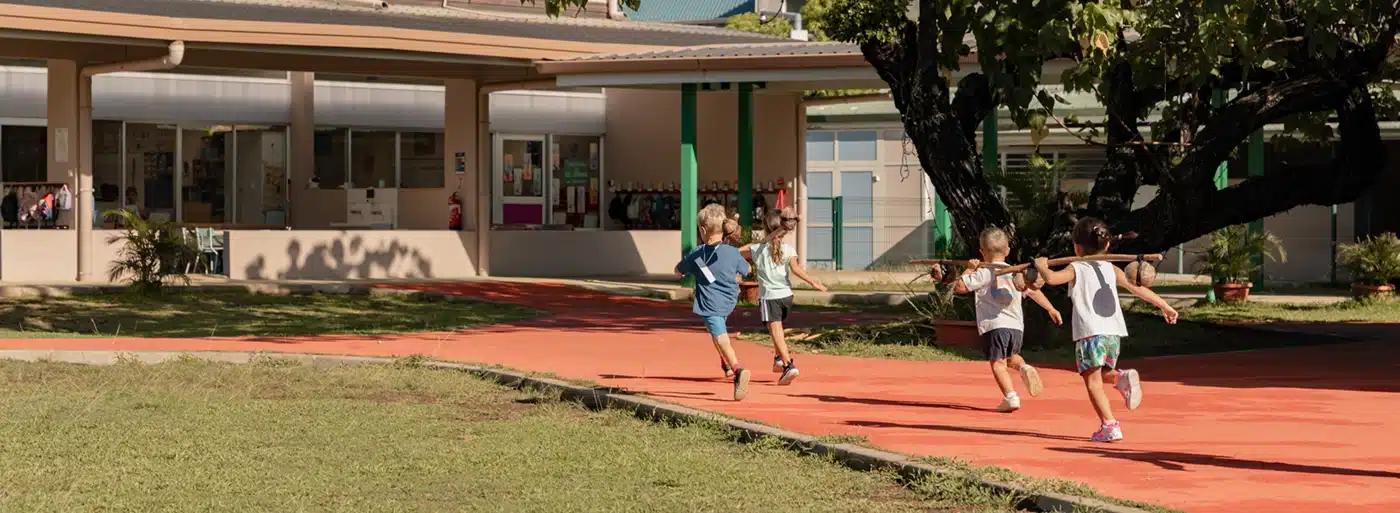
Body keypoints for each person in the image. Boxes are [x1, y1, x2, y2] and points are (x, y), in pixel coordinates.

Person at [1033, 218, 1178, 442]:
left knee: (1092, 381)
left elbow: (1051, 279)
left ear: (1076, 247)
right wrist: (1165, 305)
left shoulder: (1076, 267)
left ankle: (1109, 425)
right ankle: (1122, 378)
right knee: (1101, 373)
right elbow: (1137, 290)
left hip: (1090, 332)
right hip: (1112, 333)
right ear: (1107, 246)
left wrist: (1041, 265)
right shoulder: (1111, 269)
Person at [952, 227, 1061, 413]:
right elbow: (1033, 291)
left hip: (995, 325)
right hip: (1015, 327)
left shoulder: (984, 272)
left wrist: (968, 270)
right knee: (1011, 357)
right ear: (1007, 251)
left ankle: (1010, 396)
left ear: (981, 252)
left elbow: (960, 287)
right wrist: (1050, 308)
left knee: (998, 363)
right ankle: (1024, 367)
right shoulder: (1015, 272)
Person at [675, 204, 753, 401]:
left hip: (711, 303)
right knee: (716, 332)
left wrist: (686, 268)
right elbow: (747, 270)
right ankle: (726, 365)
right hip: (730, 299)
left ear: (702, 230)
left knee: (720, 336)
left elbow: (678, 270)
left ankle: (737, 369)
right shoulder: (732, 252)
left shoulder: (698, 254)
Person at [741, 210, 826, 385]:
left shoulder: (757, 249)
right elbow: (796, 269)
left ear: (765, 228)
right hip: (787, 297)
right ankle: (779, 359)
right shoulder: (788, 249)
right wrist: (813, 282)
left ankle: (788, 365)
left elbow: (737, 252)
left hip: (769, 297)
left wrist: (754, 243)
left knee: (776, 332)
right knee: (776, 331)